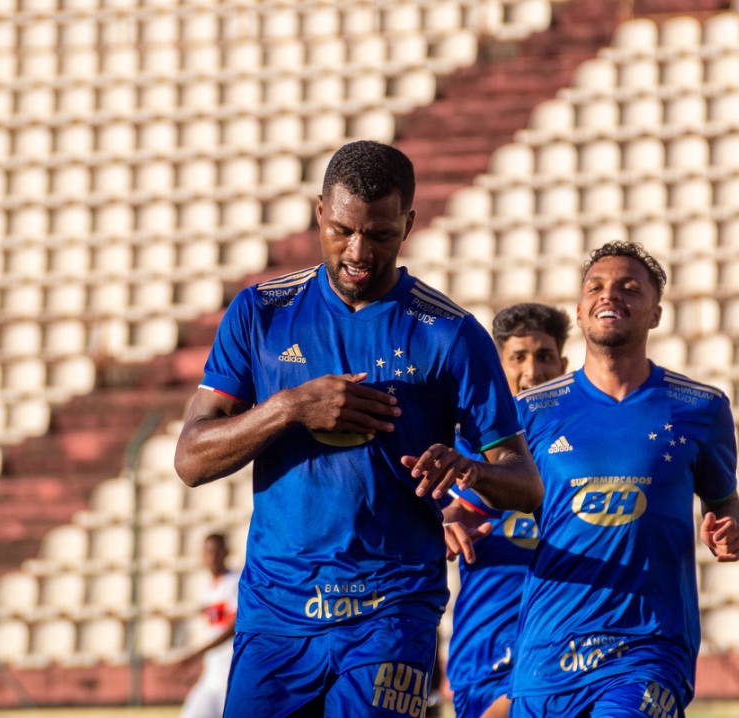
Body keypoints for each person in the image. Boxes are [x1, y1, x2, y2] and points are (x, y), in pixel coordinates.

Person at [173, 140, 543, 716]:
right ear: (320, 211)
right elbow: (191, 460)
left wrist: (467, 469)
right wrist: (289, 408)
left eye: (379, 235)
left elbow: (524, 483)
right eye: (342, 230)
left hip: (389, 610)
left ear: (409, 224)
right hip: (276, 612)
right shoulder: (260, 313)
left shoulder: (450, 333)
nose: (357, 252)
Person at [506, 241, 739, 717]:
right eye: (596, 286)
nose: (609, 295)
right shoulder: (531, 411)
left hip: (647, 648)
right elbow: (480, 496)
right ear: (578, 311)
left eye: (629, 288)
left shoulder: (700, 406)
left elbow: (724, 500)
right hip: (547, 653)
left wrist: (728, 529)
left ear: (655, 313)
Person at [445, 303, 571, 718]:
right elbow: (435, 524)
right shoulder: (464, 454)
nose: (532, 372)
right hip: (483, 646)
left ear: (565, 364)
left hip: (560, 642)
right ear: (499, 367)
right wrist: (442, 527)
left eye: (545, 356)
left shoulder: (586, 459)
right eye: (518, 357)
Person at [176, 534, 240, 718]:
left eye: (216, 552)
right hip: (212, 674)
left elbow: (233, 626)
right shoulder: (209, 587)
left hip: (231, 672)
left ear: (226, 552)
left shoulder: (235, 582)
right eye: (208, 552)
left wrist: (196, 654)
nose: (212, 557)